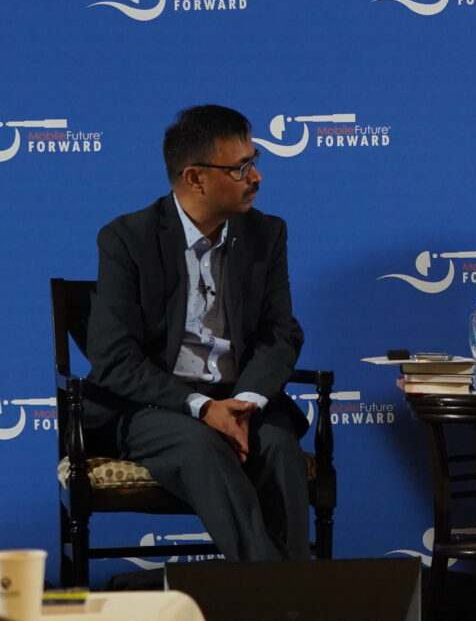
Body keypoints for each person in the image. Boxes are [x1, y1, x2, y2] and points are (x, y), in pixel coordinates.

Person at [86, 105, 310, 561]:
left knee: (279, 446)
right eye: (241, 167)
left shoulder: (266, 233)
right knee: (203, 445)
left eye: (254, 160)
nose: (256, 177)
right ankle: (284, 591)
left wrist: (245, 403)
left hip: (241, 398)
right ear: (195, 178)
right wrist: (202, 407)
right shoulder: (127, 238)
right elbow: (112, 356)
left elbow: (280, 333)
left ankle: (280, 590)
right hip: (154, 406)